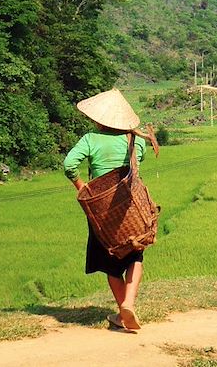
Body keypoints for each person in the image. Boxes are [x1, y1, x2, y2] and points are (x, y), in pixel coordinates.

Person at [63, 88, 157, 331]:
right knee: (135, 253)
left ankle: (123, 312)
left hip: (102, 212)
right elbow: (138, 163)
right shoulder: (133, 139)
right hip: (130, 207)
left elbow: (69, 165)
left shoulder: (90, 139)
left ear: (99, 119)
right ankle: (128, 303)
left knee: (110, 260)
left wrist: (82, 186)